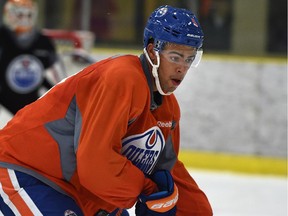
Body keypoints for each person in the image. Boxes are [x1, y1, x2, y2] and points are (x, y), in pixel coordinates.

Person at [0, 4, 213, 216]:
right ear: (152, 51)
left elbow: (166, 172)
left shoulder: (169, 109)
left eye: (189, 59)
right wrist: (147, 192)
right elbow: (95, 164)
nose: (181, 68)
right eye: (175, 57)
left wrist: (194, 210)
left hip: (81, 189)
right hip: (26, 169)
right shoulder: (121, 78)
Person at [0, 0, 66, 115]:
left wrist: (61, 99)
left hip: (33, 107)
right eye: (20, 14)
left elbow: (58, 80)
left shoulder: (44, 42)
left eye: (29, 15)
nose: (24, 19)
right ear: (9, 15)